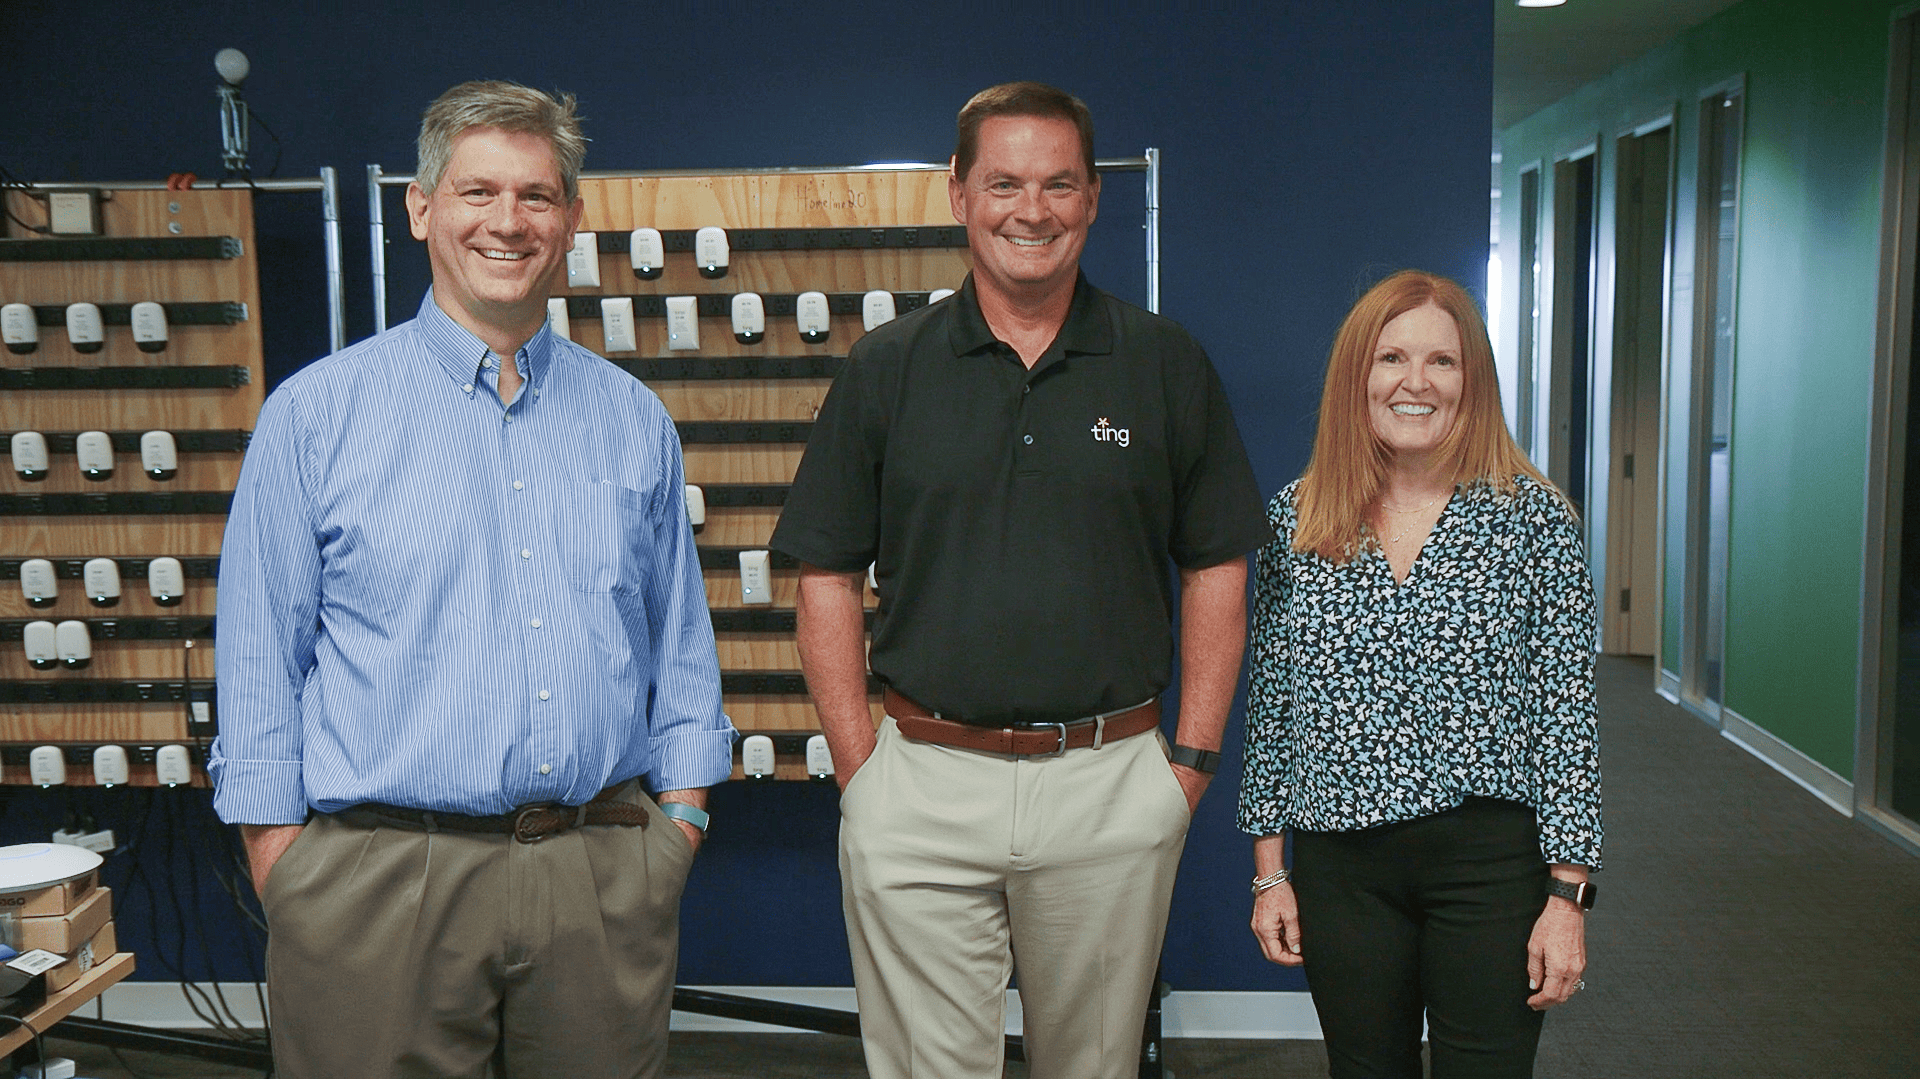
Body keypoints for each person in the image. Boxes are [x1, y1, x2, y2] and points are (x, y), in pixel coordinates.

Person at [210, 80, 736, 1079]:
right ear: (421, 208)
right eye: (477, 191)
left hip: (596, 866)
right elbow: (256, 660)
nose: (508, 221)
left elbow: (679, 642)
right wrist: (290, 866)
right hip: (376, 876)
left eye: (536, 196)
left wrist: (683, 822)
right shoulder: (316, 416)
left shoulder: (631, 419)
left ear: (572, 219)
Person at [771, 81, 1271, 1079]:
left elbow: (1217, 564)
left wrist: (1192, 766)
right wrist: (862, 766)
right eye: (1003, 182)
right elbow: (824, 574)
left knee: (1090, 1064)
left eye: (1056, 184)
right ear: (959, 193)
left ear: (1092, 197)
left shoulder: (1165, 364)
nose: (1029, 210)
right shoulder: (887, 367)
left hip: (1110, 777)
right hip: (919, 778)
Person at [1238, 269, 1601, 1078]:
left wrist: (1567, 896)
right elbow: (1270, 708)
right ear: (1355, 376)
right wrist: (1270, 875)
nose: (1415, 382)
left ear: (1472, 380)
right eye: (1391, 357)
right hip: (1343, 869)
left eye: (1442, 361)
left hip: (1490, 867)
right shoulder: (1298, 518)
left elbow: (1568, 719)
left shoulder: (1534, 520)